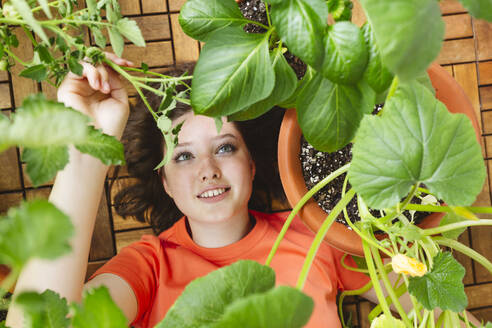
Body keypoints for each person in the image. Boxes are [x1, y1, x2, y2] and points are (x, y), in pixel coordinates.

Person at [6, 55, 482, 328]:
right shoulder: (149, 268)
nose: (208, 170)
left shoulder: (315, 236)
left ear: (253, 163)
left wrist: (403, 226)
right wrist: (85, 140)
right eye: (184, 155)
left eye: (225, 147)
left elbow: (427, 303)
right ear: (164, 181)